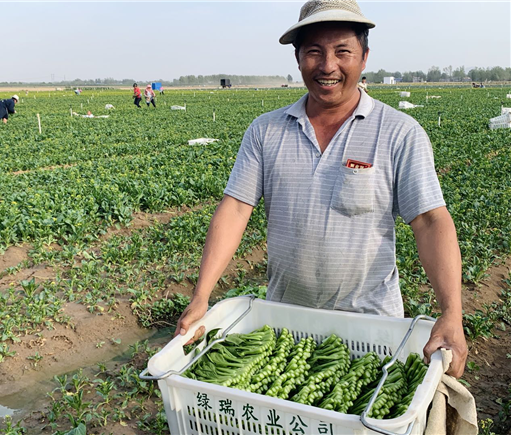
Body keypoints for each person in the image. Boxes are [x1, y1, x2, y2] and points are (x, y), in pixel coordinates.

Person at [175, 0, 467, 378]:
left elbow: (430, 221)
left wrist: (451, 313)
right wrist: (201, 295)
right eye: (314, 52)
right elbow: (235, 209)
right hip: (285, 325)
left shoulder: (399, 133)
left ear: (364, 57)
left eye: (342, 51)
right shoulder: (266, 131)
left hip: (371, 327)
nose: (328, 66)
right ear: (298, 59)